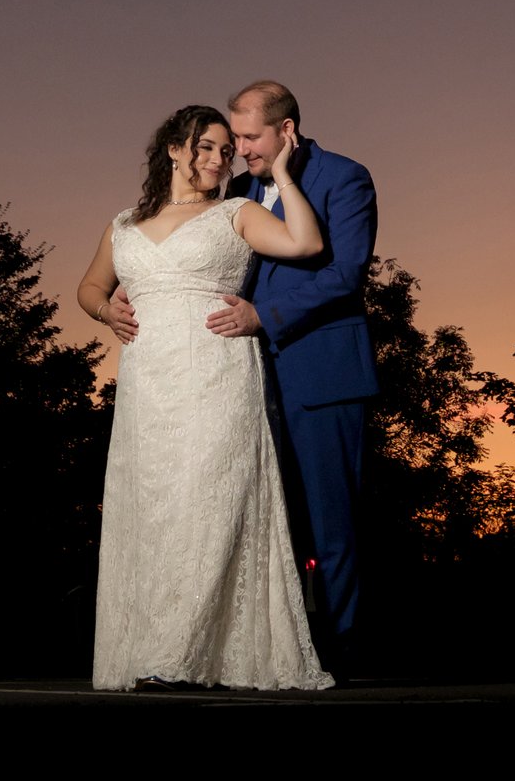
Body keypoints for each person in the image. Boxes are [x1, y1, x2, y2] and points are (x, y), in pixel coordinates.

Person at [98, 80, 377, 673]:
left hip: (317, 370)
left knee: (330, 519)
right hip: (234, 377)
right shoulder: (240, 193)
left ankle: (344, 648)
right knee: (254, 515)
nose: (238, 152)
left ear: (286, 131)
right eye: (232, 139)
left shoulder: (345, 178)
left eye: (248, 138)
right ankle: (264, 642)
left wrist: (263, 316)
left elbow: (345, 274)